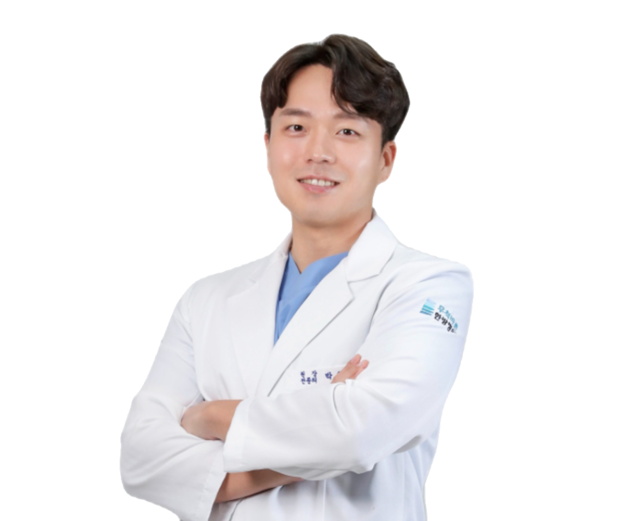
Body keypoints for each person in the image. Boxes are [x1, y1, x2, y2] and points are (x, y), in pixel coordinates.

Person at [119, 32, 476, 521]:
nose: (317, 152)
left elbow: (359, 432)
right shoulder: (206, 297)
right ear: (267, 144)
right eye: (296, 127)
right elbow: (139, 459)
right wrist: (320, 422)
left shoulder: (429, 284)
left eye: (346, 131)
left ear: (386, 159)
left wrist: (207, 416)